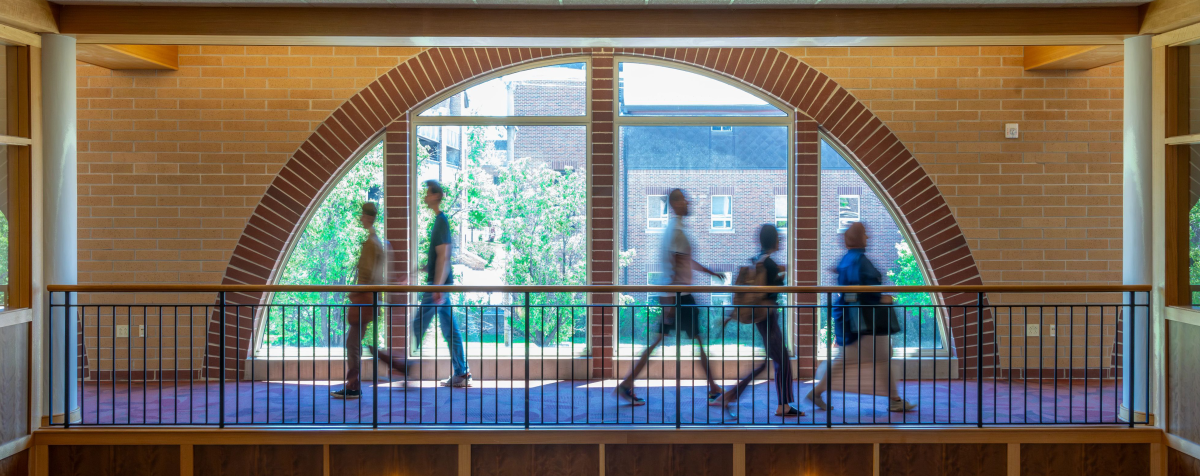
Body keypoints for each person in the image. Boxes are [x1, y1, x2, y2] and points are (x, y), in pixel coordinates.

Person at [614, 188, 725, 406]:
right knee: (695, 343)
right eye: (683, 200)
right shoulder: (676, 231)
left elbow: (685, 262)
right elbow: (676, 268)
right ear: (675, 204)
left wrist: (710, 273)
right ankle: (714, 389)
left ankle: (627, 385)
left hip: (677, 295)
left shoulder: (675, 229)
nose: (688, 202)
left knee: (667, 342)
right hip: (679, 296)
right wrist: (672, 306)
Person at [805, 221, 916, 413]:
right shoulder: (860, 261)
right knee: (879, 358)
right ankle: (895, 400)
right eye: (864, 234)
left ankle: (817, 392)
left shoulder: (846, 260)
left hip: (853, 320)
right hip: (865, 320)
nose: (868, 237)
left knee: (853, 359)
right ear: (859, 238)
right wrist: (882, 299)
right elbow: (864, 288)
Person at [712, 224, 803, 417]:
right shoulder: (769, 265)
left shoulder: (757, 259)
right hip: (768, 316)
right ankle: (783, 406)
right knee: (783, 361)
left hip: (762, 317)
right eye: (779, 238)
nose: (781, 241)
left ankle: (730, 396)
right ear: (775, 241)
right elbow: (772, 291)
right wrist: (782, 275)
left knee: (768, 362)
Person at [332, 202, 405, 399]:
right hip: (367, 299)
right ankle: (396, 365)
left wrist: (357, 292)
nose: (361, 219)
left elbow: (371, 276)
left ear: (369, 217)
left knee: (352, 342)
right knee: (359, 343)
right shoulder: (376, 242)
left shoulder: (373, 243)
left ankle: (354, 385)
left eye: (363, 215)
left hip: (365, 299)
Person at [412, 179, 472, 387]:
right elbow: (438, 258)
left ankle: (406, 369)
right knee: (449, 330)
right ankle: (461, 373)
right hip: (438, 286)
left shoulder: (441, 222)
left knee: (418, 325)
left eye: (428, 193)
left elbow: (444, 256)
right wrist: (422, 269)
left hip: (437, 288)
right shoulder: (440, 221)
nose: (425, 196)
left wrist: (438, 288)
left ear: (436, 196)